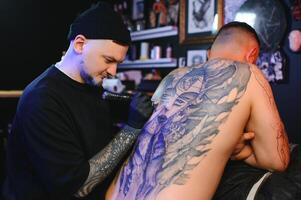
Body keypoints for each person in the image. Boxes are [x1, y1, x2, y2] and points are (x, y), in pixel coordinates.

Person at [106, 21, 290, 200]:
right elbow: (278, 160)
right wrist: (244, 152)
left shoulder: (172, 76)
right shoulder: (249, 72)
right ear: (252, 55)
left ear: (209, 54)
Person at [2, 2, 153, 200]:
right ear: (80, 44)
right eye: (108, 60)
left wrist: (132, 103)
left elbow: (94, 103)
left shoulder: (90, 84)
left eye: (118, 63)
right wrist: (131, 128)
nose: (113, 72)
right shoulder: (42, 100)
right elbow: (77, 187)